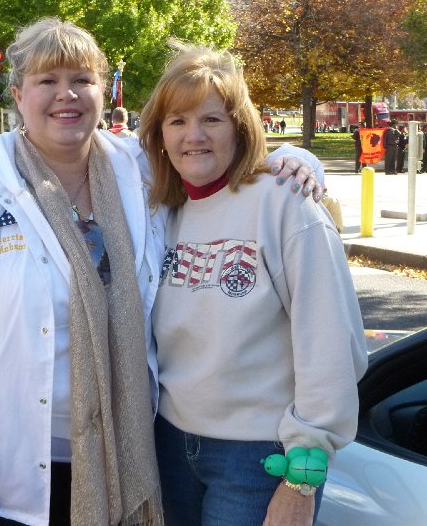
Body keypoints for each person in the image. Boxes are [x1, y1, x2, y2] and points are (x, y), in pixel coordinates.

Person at [0, 17, 321, 526]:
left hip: (126, 455)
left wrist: (293, 157)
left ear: (102, 92)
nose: (66, 95)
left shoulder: (138, 171)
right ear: (18, 94)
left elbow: (217, 158)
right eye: (47, 81)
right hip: (4, 473)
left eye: (81, 80)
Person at [139, 44, 367, 526]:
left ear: (240, 128)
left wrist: (303, 477)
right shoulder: (162, 212)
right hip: (170, 448)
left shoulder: (286, 203)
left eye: (212, 120)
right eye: (177, 121)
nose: (193, 136)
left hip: (260, 459)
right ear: (160, 135)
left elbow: (330, 345)